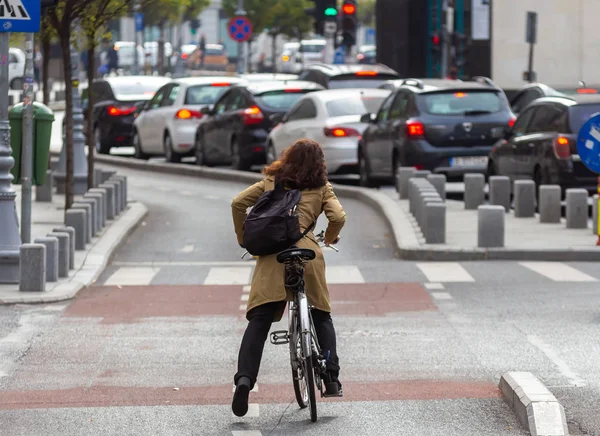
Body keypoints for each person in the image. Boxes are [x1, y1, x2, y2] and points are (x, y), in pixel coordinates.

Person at [230, 139, 346, 417]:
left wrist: (243, 238)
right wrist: (328, 239)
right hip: (308, 255)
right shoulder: (321, 187)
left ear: (288, 159)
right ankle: (330, 378)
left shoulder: (271, 182)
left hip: (272, 258)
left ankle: (244, 380)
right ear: (320, 164)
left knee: (260, 321)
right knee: (321, 315)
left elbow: (237, 203)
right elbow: (338, 217)